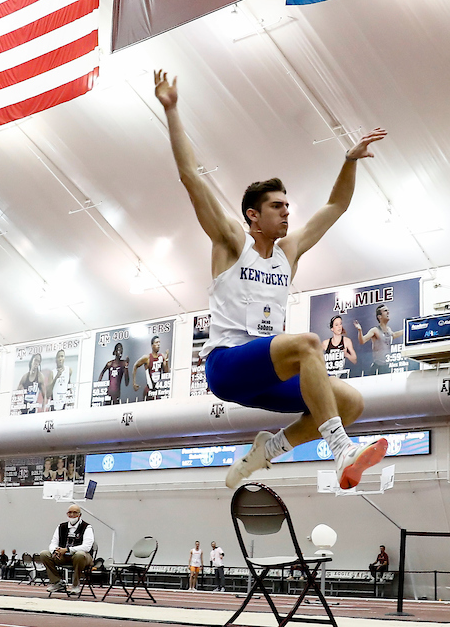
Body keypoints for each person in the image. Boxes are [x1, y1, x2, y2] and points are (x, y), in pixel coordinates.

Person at [154, 69, 389, 490]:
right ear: (252, 216)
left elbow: (335, 205)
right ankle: (340, 451)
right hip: (227, 366)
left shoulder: (288, 253)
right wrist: (172, 109)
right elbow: (191, 177)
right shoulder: (229, 242)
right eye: (277, 206)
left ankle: (267, 450)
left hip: (267, 374)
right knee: (308, 343)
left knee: (351, 402)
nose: (286, 212)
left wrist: (349, 160)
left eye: (287, 205)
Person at [41, 504, 95, 594]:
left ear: (80, 515)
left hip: (82, 558)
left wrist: (67, 550)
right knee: (44, 554)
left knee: (79, 555)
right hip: (64, 557)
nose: (72, 515)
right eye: (70, 512)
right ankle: (57, 582)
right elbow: (53, 542)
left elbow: (87, 547)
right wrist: (55, 551)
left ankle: (76, 585)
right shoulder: (61, 527)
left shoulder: (87, 527)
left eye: (75, 512)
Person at [353, 304, 404, 375]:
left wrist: (406, 329)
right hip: (378, 366)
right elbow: (362, 341)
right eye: (385, 311)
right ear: (379, 316)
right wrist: (360, 330)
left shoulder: (389, 329)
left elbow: (394, 335)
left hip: (387, 366)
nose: (388, 312)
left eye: (388, 310)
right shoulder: (375, 330)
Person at [133, 336, 170, 400]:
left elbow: (166, 371)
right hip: (149, 390)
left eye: (159, 342)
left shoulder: (162, 356)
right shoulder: (147, 358)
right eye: (156, 342)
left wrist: (166, 360)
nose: (158, 344)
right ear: (152, 345)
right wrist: (134, 383)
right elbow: (135, 366)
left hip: (158, 390)